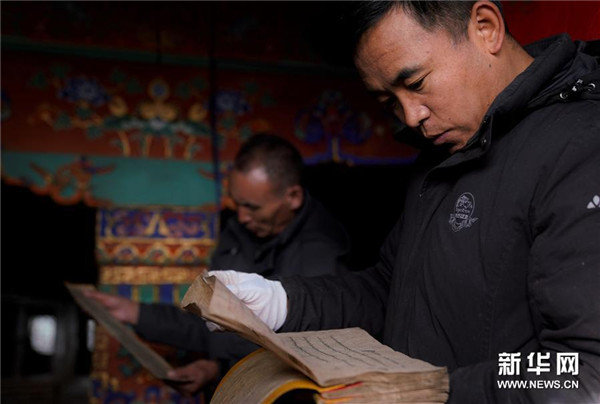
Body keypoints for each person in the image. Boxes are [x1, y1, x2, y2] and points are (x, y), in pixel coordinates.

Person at [208, 2, 600, 403]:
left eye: (416, 83)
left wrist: (434, 392)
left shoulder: (581, 148)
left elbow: (581, 373)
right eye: (388, 102)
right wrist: (282, 303)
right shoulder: (440, 155)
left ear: (486, 28)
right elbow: (392, 291)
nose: (410, 117)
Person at [85, 133, 351, 395]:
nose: (242, 217)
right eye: (237, 204)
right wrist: (136, 313)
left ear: (293, 197)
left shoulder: (322, 255)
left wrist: (218, 368)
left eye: (252, 207)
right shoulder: (236, 236)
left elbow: (296, 351)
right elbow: (211, 321)